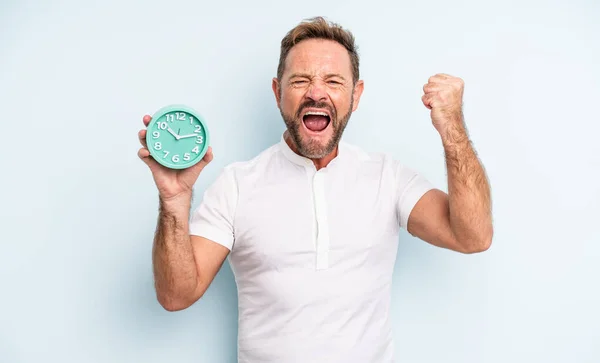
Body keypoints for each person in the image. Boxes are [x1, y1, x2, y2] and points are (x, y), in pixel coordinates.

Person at [137, 16, 493, 363]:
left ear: (356, 95)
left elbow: (472, 237)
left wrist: (452, 129)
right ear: (278, 93)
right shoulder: (236, 185)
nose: (316, 93)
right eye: (300, 80)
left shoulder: (388, 177)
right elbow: (176, 295)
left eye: (334, 81)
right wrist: (174, 200)